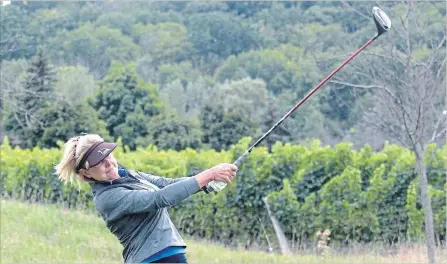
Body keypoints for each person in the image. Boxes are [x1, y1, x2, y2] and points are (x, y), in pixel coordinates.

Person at [54, 134, 238, 263]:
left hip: (167, 255)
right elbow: (158, 198)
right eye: (99, 162)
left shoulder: (127, 174)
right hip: (154, 259)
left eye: (108, 154)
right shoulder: (107, 198)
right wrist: (210, 173)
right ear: (86, 173)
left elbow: (166, 183)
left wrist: (208, 183)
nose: (109, 162)